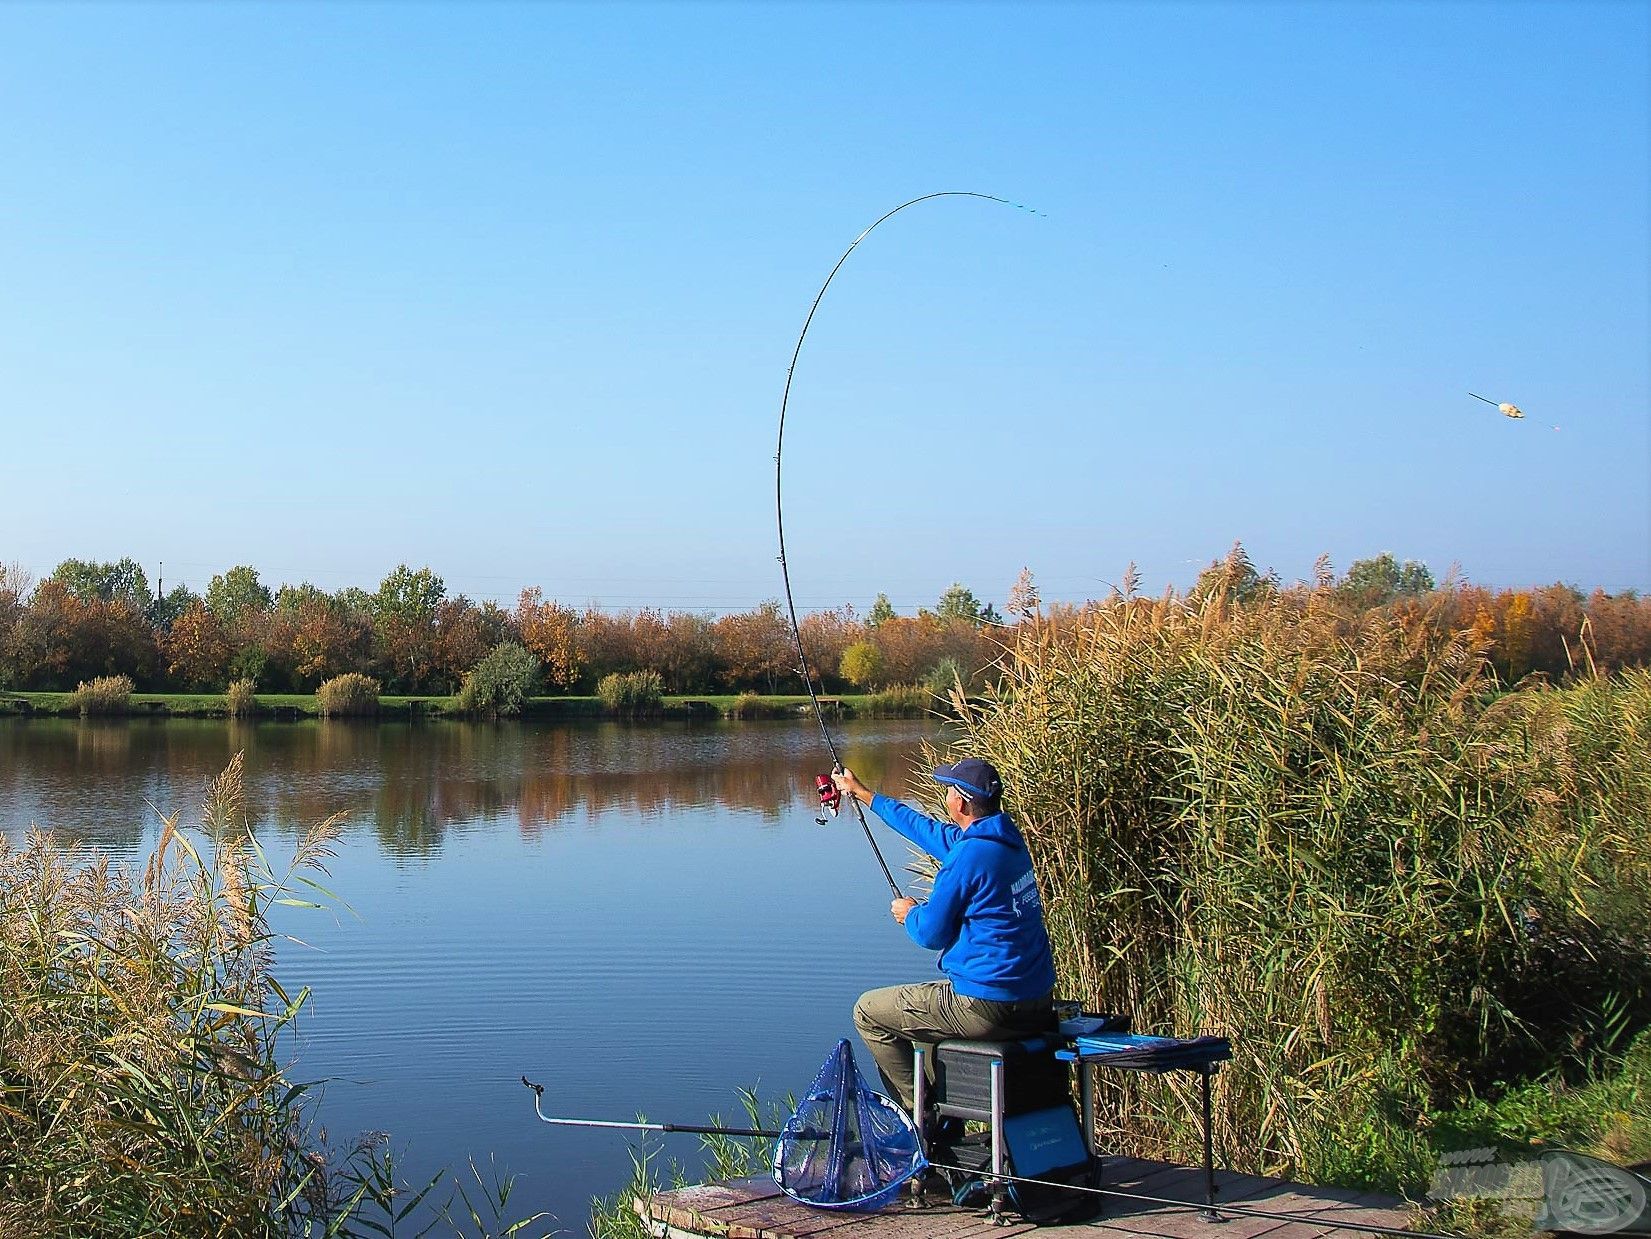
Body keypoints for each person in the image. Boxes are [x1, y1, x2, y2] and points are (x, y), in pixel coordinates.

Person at [831, 757, 1057, 1116]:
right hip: (1037, 1004)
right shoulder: (1005, 840)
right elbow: (925, 829)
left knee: (869, 1012)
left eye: (950, 790)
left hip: (988, 1007)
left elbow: (930, 933)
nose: (946, 795)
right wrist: (864, 794)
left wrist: (909, 913)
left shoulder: (968, 857)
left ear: (962, 802)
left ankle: (921, 1115)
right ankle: (946, 1119)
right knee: (921, 1028)